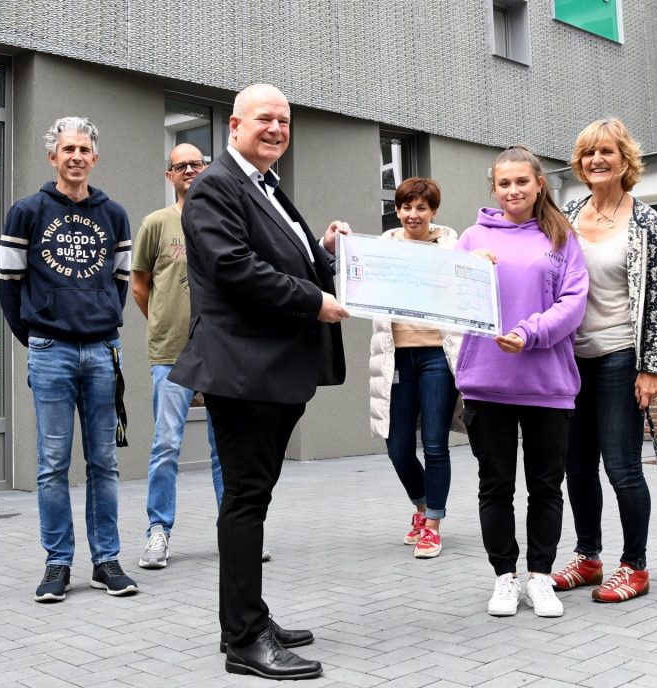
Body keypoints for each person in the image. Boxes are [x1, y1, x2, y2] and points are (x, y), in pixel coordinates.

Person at [170, 83, 349, 681]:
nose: (276, 128)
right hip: (244, 372)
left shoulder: (264, 186)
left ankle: (251, 614)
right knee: (245, 501)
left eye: (285, 120)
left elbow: (282, 257)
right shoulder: (215, 185)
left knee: (254, 497)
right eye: (264, 119)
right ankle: (244, 640)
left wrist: (322, 250)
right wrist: (315, 301)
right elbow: (234, 268)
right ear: (235, 127)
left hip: (274, 370)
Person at [0, 116, 138, 603]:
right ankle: (58, 564)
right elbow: (8, 285)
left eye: (84, 149)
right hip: (50, 351)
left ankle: (106, 562)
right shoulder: (26, 211)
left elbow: (121, 281)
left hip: (102, 350)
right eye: (67, 149)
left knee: (103, 462)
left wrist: (100, 320)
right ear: (52, 157)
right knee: (52, 464)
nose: (76, 157)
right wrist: (36, 335)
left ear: (94, 158)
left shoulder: (115, 214)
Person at [456, 146, 588, 618]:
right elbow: (449, 299)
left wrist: (530, 333)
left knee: (547, 487)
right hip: (486, 382)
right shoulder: (472, 237)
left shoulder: (561, 236)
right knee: (495, 487)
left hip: (547, 384)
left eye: (521, 182)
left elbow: (573, 302)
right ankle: (504, 578)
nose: (513, 190)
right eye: (504, 183)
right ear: (494, 188)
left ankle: (541, 577)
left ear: (538, 185)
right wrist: (472, 272)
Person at [551, 118, 657, 603]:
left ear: (625, 159)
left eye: (605, 152)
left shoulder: (646, 222)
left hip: (621, 356)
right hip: (569, 359)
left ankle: (634, 566)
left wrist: (651, 367)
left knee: (621, 467)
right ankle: (588, 557)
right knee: (576, 467)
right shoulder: (567, 213)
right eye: (586, 154)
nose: (595, 161)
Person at [132, 144, 225, 570]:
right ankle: (158, 532)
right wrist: (165, 325)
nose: (189, 169)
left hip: (219, 352)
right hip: (169, 353)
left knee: (225, 447)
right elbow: (139, 286)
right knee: (167, 444)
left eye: (196, 164)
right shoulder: (156, 224)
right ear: (169, 175)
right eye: (180, 165)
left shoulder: (224, 221)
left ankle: (233, 531)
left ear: (206, 170)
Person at [368, 177, 461, 559]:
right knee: (398, 447)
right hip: (395, 357)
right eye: (406, 207)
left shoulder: (452, 248)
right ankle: (422, 507)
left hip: (437, 355)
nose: (412, 214)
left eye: (421, 208)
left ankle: (433, 524)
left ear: (433, 212)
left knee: (436, 444)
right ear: (397, 210)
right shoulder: (381, 249)